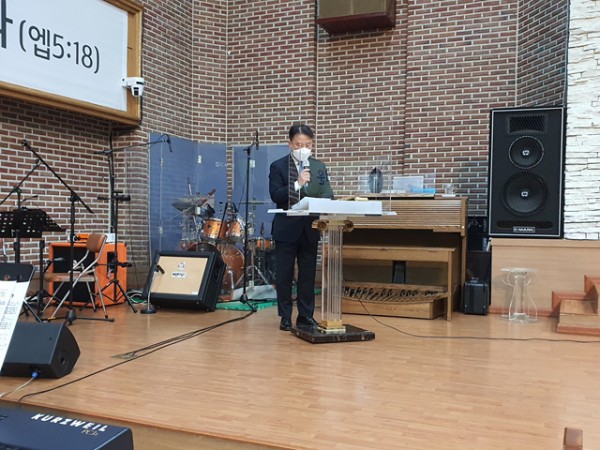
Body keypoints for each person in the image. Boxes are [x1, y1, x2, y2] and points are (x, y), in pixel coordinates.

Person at [269, 124, 334, 331]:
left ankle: (306, 315)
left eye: (307, 144)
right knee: (284, 275)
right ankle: (285, 316)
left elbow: (327, 192)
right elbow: (275, 195)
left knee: (307, 275)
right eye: (298, 145)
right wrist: (297, 183)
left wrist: (326, 202)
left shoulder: (318, 166)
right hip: (286, 229)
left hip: (310, 227)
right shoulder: (278, 166)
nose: (303, 148)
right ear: (290, 144)